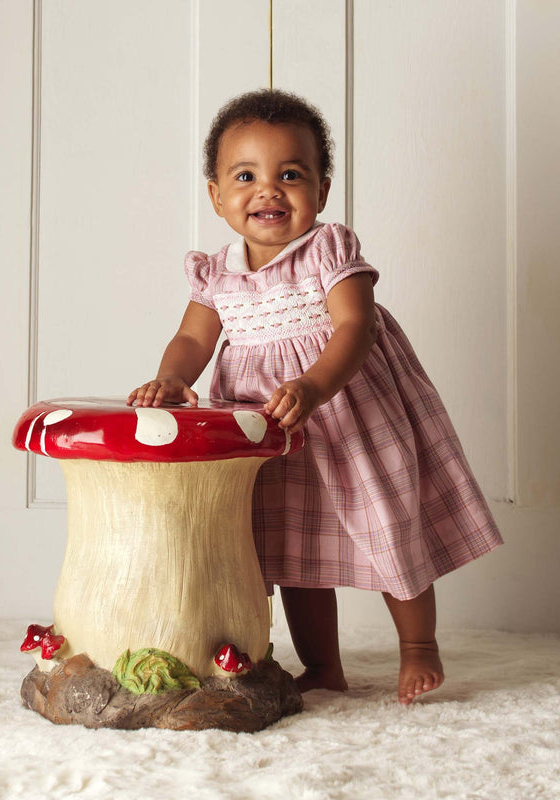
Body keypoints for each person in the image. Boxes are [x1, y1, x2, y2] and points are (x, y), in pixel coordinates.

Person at [128, 89, 503, 705]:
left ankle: (418, 648)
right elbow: (193, 337)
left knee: (387, 524)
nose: (268, 190)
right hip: (266, 426)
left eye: (291, 174)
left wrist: (314, 385)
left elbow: (357, 327)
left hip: (349, 414)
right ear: (217, 196)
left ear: (322, 190)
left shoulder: (328, 251)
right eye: (245, 176)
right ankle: (323, 665)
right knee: (287, 545)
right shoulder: (218, 273)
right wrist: (173, 378)